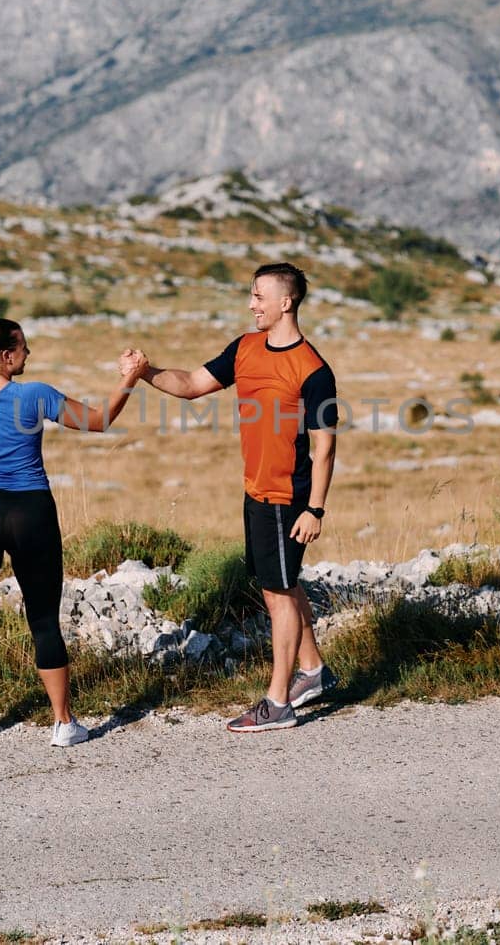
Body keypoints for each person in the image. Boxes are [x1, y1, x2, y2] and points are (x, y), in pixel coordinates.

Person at [125, 262, 339, 732]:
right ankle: (314, 671)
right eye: (251, 295)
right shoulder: (244, 348)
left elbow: (324, 447)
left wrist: (315, 508)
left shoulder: (314, 371)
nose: (251, 304)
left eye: (259, 296)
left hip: (289, 497)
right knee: (280, 582)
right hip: (255, 491)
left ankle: (278, 702)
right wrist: (146, 373)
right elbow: (191, 385)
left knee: (279, 593)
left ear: (286, 302)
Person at [0, 318, 140, 748]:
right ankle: (63, 724)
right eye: (23, 347)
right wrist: (130, 380)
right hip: (31, 514)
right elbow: (98, 421)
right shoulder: (35, 394)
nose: (29, 354)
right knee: (42, 619)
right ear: (6, 356)